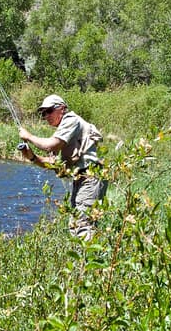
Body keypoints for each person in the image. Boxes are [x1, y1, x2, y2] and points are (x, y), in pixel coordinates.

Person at [18, 94, 107, 240]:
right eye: (43, 113)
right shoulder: (63, 130)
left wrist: (29, 136)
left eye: (49, 111)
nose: (46, 116)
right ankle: (85, 260)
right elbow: (55, 164)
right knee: (76, 224)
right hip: (81, 179)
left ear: (62, 108)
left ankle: (88, 260)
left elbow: (49, 146)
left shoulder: (71, 120)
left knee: (83, 226)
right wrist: (32, 157)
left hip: (91, 177)